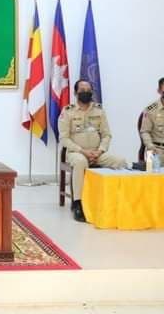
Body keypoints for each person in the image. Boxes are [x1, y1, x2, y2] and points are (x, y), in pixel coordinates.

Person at [59, 79, 127, 222]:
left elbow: (107, 135)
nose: (86, 93)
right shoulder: (68, 111)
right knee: (80, 162)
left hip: (97, 153)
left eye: (88, 91)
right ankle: (78, 203)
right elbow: (64, 138)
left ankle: (119, 200)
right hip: (76, 153)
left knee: (120, 162)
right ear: (75, 93)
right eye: (82, 91)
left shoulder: (99, 111)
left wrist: (100, 151)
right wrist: (82, 151)